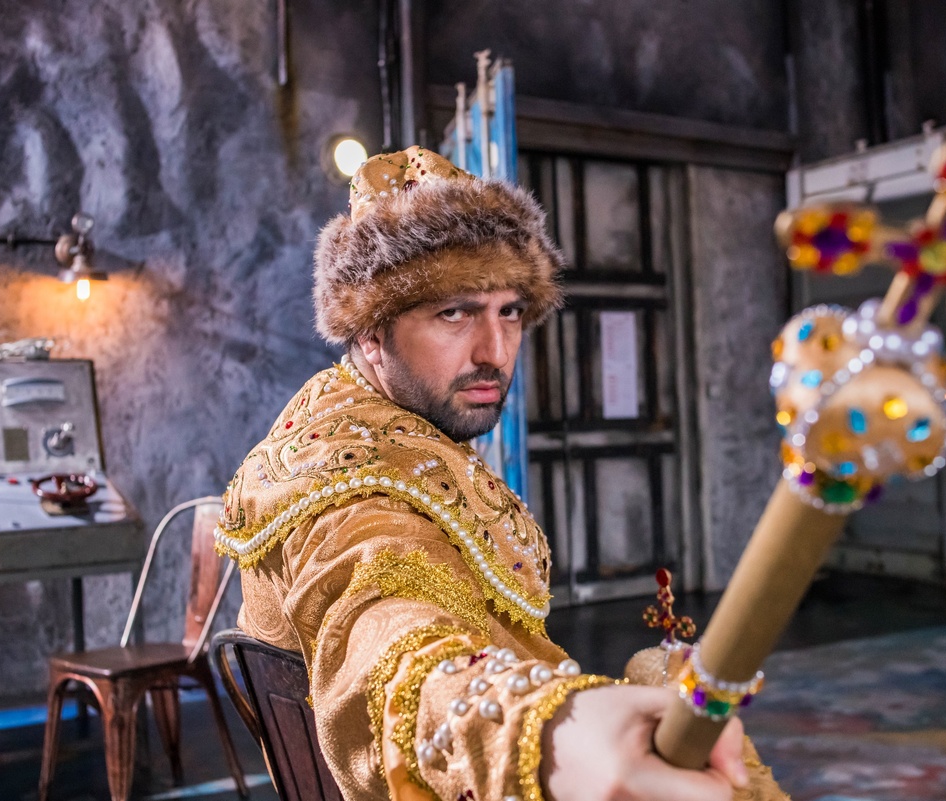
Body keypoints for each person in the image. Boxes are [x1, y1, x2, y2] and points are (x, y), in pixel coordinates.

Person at [217, 146, 779, 801]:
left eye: (509, 310)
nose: (495, 352)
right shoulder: (348, 479)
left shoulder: (364, 417)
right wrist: (547, 736)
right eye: (454, 312)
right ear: (370, 331)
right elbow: (388, 636)